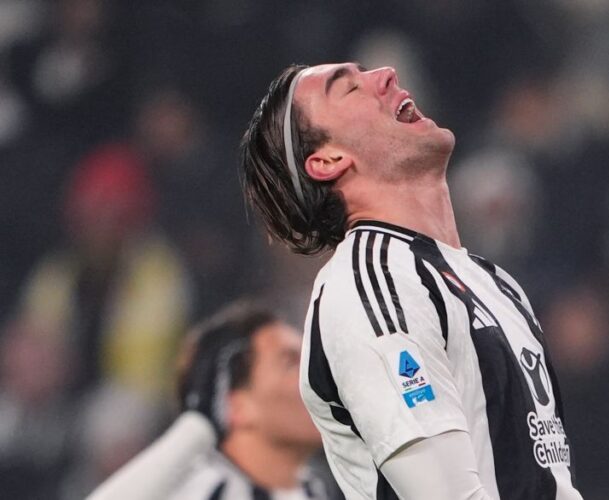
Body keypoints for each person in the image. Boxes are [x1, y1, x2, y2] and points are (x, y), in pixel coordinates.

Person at [239, 63, 583, 500]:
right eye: (348, 88)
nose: (385, 74)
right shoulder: (369, 282)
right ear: (328, 161)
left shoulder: (494, 282)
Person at [87, 302, 329, 500]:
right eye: (290, 363)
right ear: (237, 406)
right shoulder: (207, 491)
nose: (313, 373)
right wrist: (197, 427)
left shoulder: (320, 488)